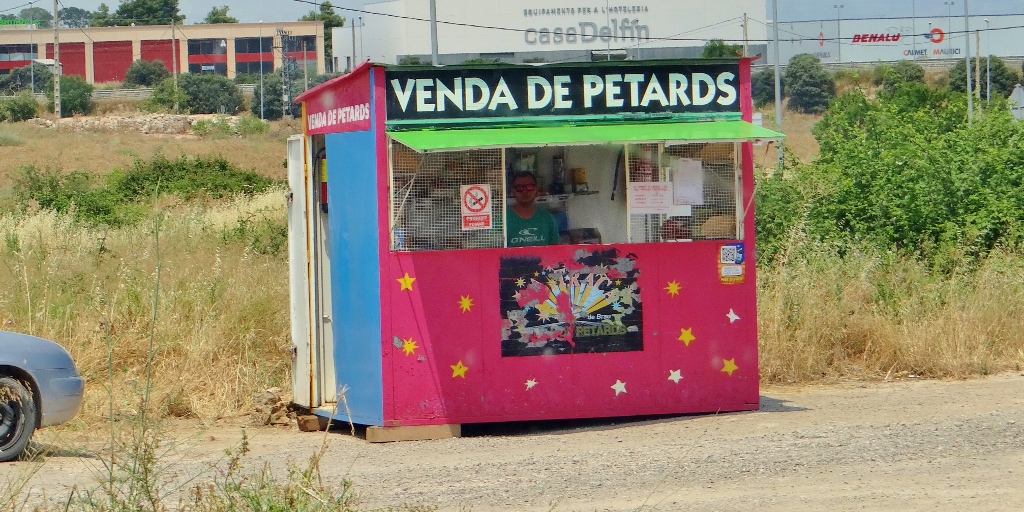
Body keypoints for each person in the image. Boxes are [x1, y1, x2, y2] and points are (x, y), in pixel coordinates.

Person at [506, 171, 559, 247]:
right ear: (513, 191)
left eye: (529, 187)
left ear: (537, 190)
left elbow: (556, 251)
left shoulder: (548, 219)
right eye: (519, 188)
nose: (525, 191)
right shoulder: (502, 220)